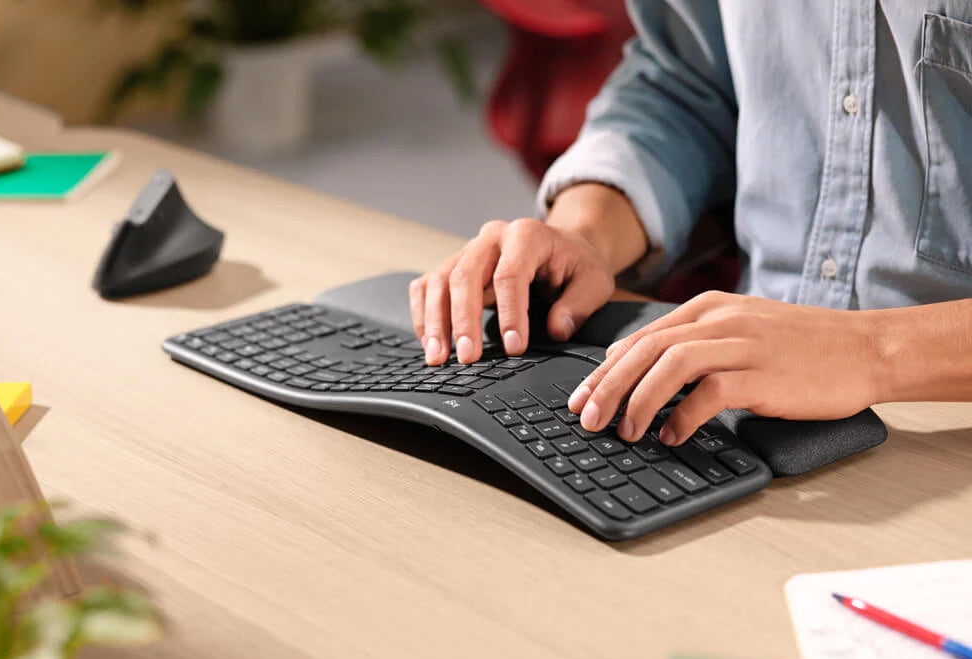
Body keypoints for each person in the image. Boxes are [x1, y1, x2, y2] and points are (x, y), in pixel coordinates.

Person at [408, 1, 972, 448]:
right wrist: (585, 232)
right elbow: (687, 83)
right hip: (741, 396)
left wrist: (869, 352)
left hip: (945, 441)